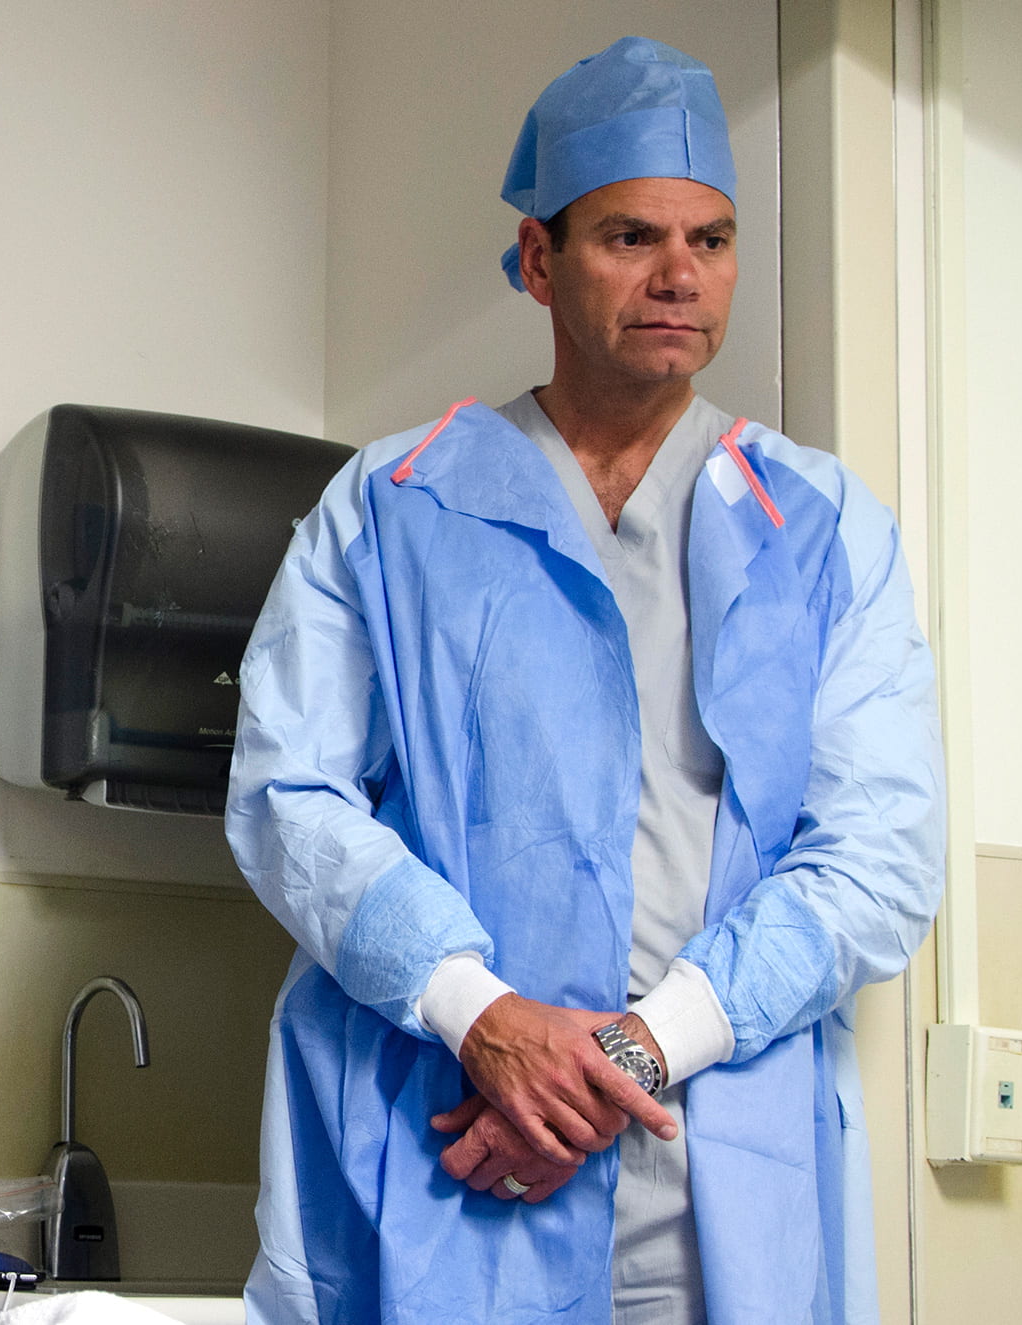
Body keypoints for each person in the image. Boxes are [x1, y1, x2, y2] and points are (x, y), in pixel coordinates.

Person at [226, 36, 944, 1325]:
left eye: (711, 240)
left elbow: (879, 853)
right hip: (441, 1157)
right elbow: (289, 799)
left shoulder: (820, 527)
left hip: (716, 1178)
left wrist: (621, 1052)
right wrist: (480, 1016)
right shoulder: (391, 510)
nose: (680, 276)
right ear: (538, 258)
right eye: (629, 236)